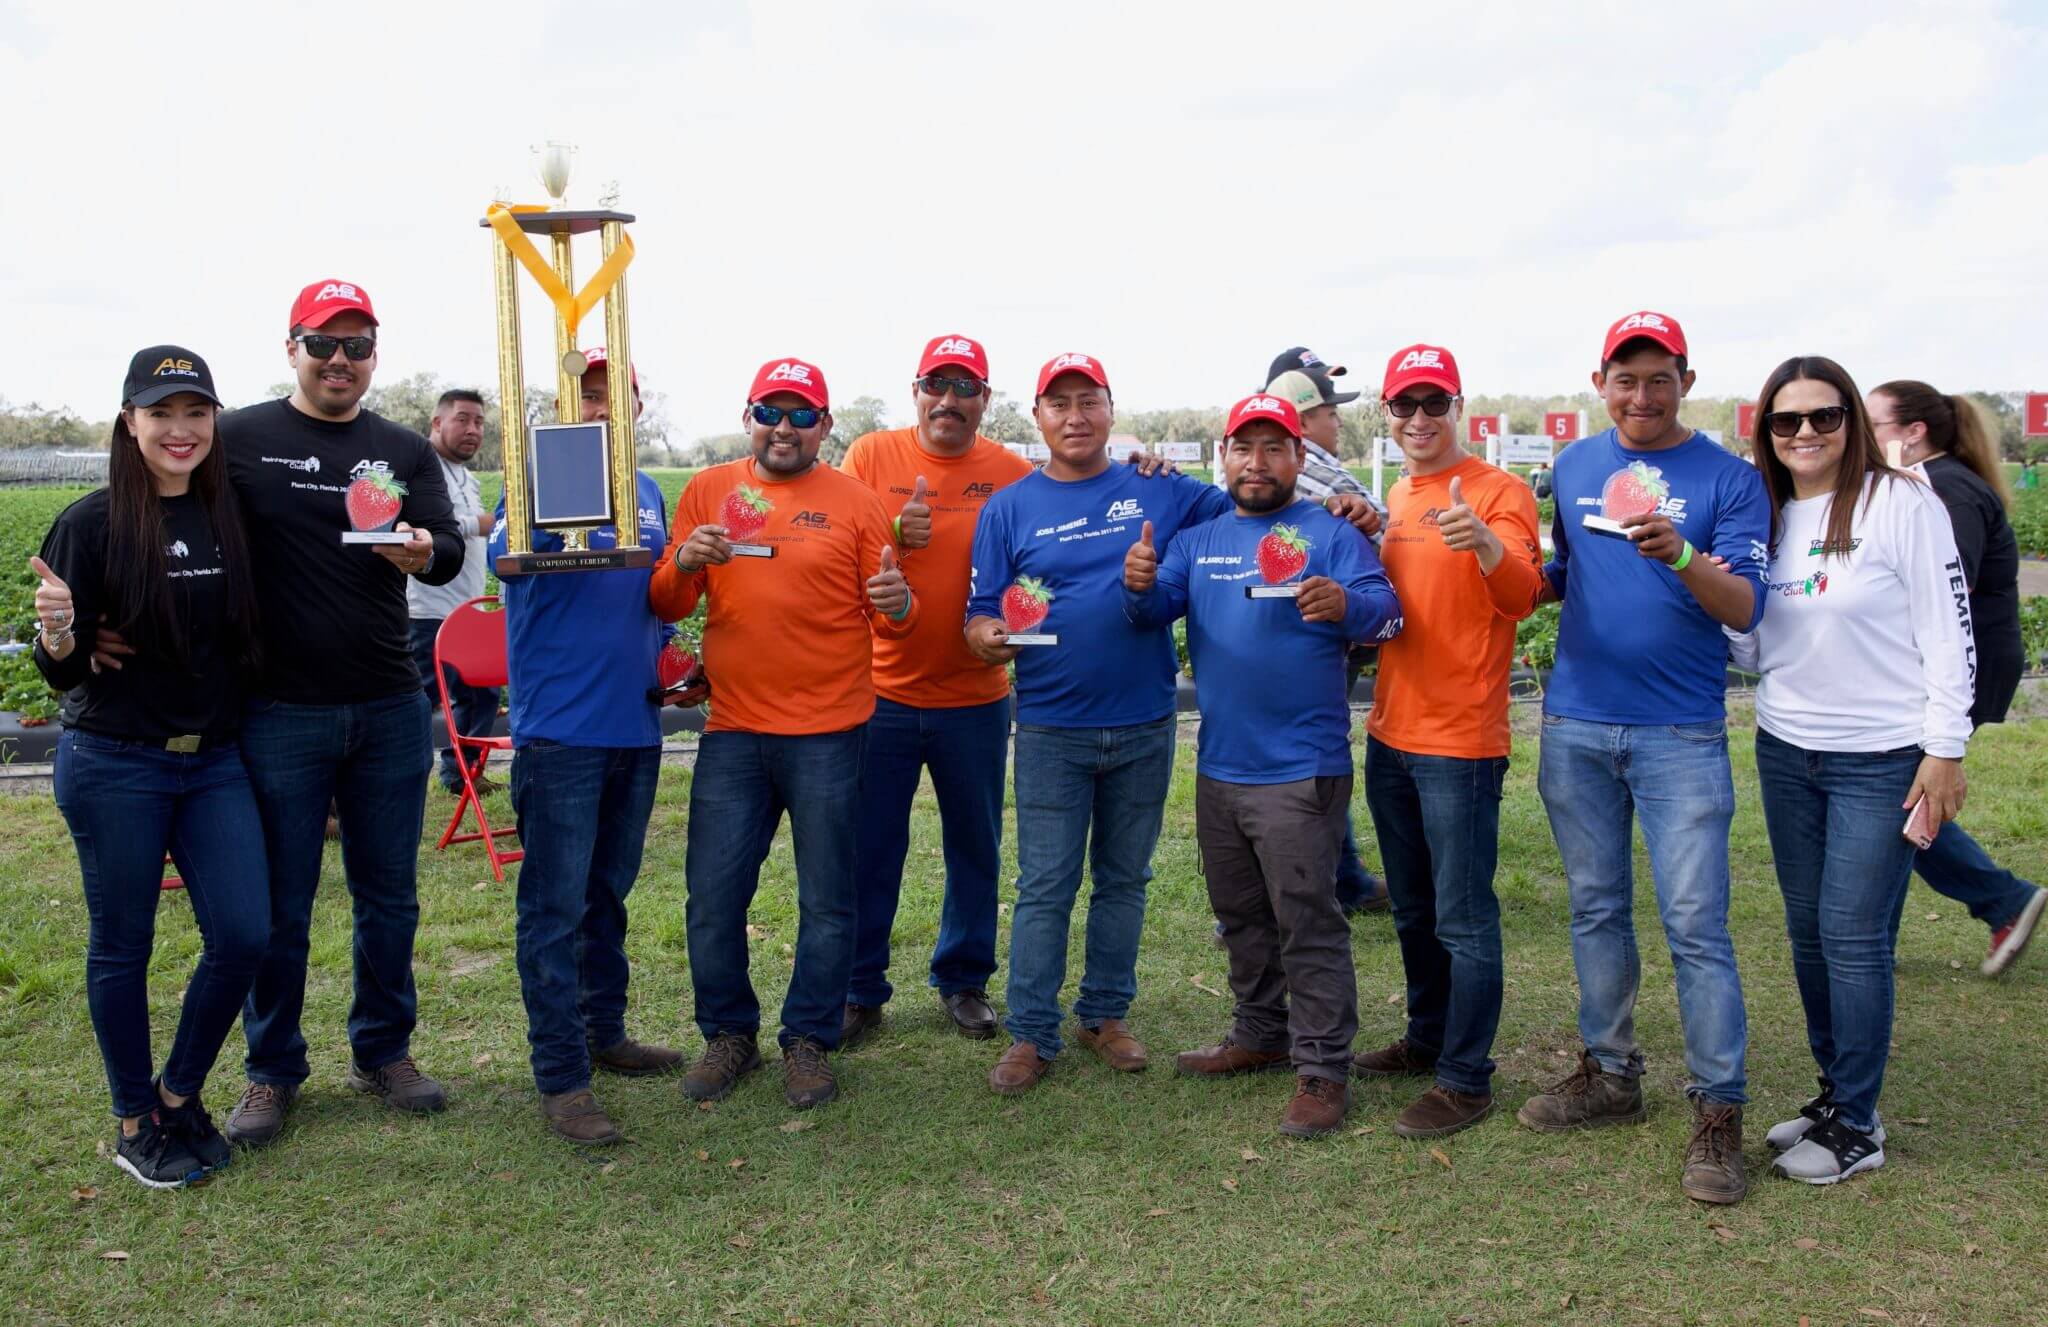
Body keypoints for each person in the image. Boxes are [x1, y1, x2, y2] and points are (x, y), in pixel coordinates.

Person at [146, 279, 462, 1147]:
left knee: (388, 895)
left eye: (357, 346)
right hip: (278, 709)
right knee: (282, 901)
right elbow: (160, 509)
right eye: (323, 343)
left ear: (373, 357)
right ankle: (272, 1069)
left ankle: (383, 1050)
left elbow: (448, 550)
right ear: (291, 347)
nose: (339, 360)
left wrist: (426, 547)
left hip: (390, 704)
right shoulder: (240, 438)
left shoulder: (399, 446)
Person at [1517, 311, 1769, 1207]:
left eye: (1658, 378)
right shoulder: (1576, 466)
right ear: (1601, 383)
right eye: (1625, 378)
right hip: (1577, 724)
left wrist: (1682, 552)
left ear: (1686, 381)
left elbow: (1743, 605)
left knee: (1696, 925)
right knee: (1594, 908)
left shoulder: (1731, 480)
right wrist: (1499, 571)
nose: (1641, 394)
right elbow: (1560, 572)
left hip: (1678, 735)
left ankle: (1718, 1108)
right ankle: (1612, 1074)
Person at [1126, 392, 1401, 1137]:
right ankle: (1259, 1031)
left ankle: (1322, 1067)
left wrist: (1344, 600)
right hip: (1220, 767)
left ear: (1297, 458)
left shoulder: (1330, 531)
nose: (1257, 462)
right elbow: (1150, 615)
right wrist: (1140, 581)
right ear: (1224, 457)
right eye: (1243, 449)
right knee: (1242, 914)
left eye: (1274, 448)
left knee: (1306, 919)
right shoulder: (1201, 537)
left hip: (1299, 768)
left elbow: (1388, 610)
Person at [1731, 357, 1975, 1184]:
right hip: (1786, 746)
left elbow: (1949, 628)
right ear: (1765, 431)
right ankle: (1837, 1095)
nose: (1805, 434)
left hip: (1883, 754)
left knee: (1853, 935)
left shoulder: (1901, 502)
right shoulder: (1765, 512)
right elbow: (1760, 641)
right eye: (1786, 421)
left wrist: (1946, 747)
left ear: (1853, 423)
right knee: (1808, 935)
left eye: (1824, 417)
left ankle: (1860, 1124)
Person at [965, 352, 1235, 1095]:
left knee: (1125, 878)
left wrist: (1344, 514)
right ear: (1038, 417)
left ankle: (1103, 1013)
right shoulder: (1009, 509)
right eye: (1060, 404)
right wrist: (987, 637)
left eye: (1089, 401)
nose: (1075, 416)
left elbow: (1245, 510)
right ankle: (1030, 1032)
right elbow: (979, 615)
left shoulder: (1156, 489)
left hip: (1144, 722)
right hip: (1051, 727)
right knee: (1046, 883)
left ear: (1111, 411)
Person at [651, 357, 916, 1111]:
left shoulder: (856, 503)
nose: (785, 427)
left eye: (803, 415)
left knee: (828, 898)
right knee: (712, 894)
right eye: (772, 410)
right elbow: (667, 600)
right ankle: (728, 1034)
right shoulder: (709, 490)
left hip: (832, 733)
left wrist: (899, 603)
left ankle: (807, 1038)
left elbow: (900, 612)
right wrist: (682, 562)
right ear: (748, 416)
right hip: (734, 729)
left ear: (826, 427)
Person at [34, 347, 268, 1188]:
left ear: (214, 422)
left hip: (211, 762)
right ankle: (135, 1119)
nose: (180, 429)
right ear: (129, 421)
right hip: (115, 763)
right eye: (161, 413)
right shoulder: (90, 523)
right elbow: (61, 669)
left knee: (245, 933)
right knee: (122, 946)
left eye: (195, 412)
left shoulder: (229, 515)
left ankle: (177, 1093)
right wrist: (60, 631)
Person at [488, 349, 686, 1144]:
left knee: (606, 895)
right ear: (565, 409)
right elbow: (512, 558)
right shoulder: (530, 479)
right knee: (553, 908)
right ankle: (562, 1075)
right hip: (561, 734)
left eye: (617, 395)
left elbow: (652, 599)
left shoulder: (644, 491)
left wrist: (673, 659)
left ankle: (605, 1030)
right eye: (588, 395)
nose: (604, 408)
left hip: (635, 729)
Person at [1355, 345, 1543, 1138]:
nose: (1420, 420)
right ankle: (1427, 1037)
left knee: (1463, 916)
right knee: (1413, 911)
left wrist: (1487, 543)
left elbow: (1525, 594)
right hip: (1390, 733)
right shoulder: (1397, 492)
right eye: (1405, 406)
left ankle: (1467, 1077)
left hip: (1459, 741)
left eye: (1435, 404)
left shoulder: (1501, 491)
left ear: (1459, 405)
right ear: (1389, 415)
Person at [838, 335, 1034, 1046]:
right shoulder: (870, 456)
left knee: (974, 844)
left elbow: (1029, 570)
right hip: (882, 692)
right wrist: (896, 529)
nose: (948, 400)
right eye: (935, 384)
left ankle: (963, 977)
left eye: (965, 387)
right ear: (914, 389)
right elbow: (845, 549)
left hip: (977, 696)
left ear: (986, 398)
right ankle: (861, 987)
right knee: (872, 843)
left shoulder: (1012, 473)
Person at [1868, 381, 2044, 975]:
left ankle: (2005, 899)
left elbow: (1946, 592)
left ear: (1913, 431)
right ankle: (1875, 940)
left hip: (1961, 669)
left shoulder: (1943, 491)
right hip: (1955, 667)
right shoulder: (1935, 484)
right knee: (1896, 798)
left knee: (1897, 798)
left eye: (1872, 422)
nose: (1858, 434)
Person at [1266, 346, 1390, 915]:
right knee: (1304, 765)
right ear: (1301, 419)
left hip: (1311, 634)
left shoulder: (1291, 464)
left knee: (1303, 763)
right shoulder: (1306, 465)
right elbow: (1380, 525)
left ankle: (1343, 878)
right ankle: (1280, 895)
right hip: (1309, 638)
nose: (1337, 420)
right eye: (1329, 410)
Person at [409, 388, 499, 795]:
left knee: (480, 696)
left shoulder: (467, 478)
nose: (472, 429)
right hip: (427, 610)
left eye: (478, 421)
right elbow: (417, 522)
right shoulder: (418, 467)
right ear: (437, 423)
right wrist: (479, 524)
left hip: (468, 608)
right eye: (462, 419)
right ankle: (376, 783)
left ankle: (463, 775)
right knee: (413, 703)